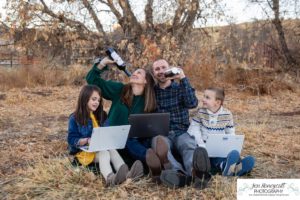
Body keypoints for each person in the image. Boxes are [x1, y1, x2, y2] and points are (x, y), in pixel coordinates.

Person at [86, 57, 169, 181]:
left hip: (133, 142)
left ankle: (152, 162)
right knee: (128, 141)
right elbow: (92, 80)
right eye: (134, 72)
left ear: (146, 81)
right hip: (112, 140)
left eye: (139, 73)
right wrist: (103, 63)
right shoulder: (120, 89)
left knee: (131, 140)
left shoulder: (149, 101)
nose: (134, 74)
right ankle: (150, 159)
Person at [150, 59, 211, 189]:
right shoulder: (152, 92)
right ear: (153, 73)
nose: (160, 71)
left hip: (181, 131)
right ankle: (178, 174)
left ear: (169, 69)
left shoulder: (180, 87)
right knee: (158, 144)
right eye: (157, 69)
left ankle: (195, 173)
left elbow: (192, 103)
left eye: (163, 67)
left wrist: (182, 78)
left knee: (188, 145)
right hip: (162, 133)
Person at [67, 85, 143, 186]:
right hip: (84, 153)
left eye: (98, 100)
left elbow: (106, 132)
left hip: (101, 147)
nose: (97, 102)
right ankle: (110, 179)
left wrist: (114, 136)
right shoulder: (75, 118)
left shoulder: (101, 115)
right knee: (104, 153)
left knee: (111, 150)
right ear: (85, 98)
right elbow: (71, 139)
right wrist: (86, 140)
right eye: (93, 99)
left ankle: (126, 174)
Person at [187, 87, 255, 176]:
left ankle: (231, 167)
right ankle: (231, 169)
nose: (203, 99)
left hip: (220, 147)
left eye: (207, 97)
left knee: (227, 155)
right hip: (204, 147)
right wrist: (201, 144)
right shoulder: (201, 113)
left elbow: (230, 131)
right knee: (209, 159)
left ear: (217, 102)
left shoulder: (227, 114)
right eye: (204, 96)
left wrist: (231, 145)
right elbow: (194, 129)